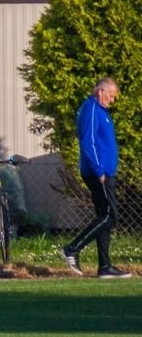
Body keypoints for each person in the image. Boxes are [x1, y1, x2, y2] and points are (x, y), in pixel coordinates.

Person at [63, 77, 130, 278]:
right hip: (97, 173)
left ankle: (105, 266)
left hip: (105, 172)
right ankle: (72, 248)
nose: (112, 100)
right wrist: (99, 169)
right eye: (111, 95)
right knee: (110, 216)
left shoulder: (101, 111)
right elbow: (88, 140)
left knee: (104, 216)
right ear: (101, 91)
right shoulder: (91, 108)